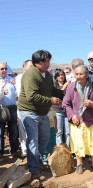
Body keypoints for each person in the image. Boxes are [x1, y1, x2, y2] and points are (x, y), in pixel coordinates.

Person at [18, 50, 64, 180]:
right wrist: (51, 100)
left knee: (45, 138)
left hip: (43, 111)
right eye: (44, 61)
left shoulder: (47, 75)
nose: (47, 63)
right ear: (36, 63)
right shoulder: (30, 75)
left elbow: (51, 90)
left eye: (48, 61)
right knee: (33, 140)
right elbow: (31, 96)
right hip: (29, 111)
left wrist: (64, 93)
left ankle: (37, 161)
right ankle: (34, 169)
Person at [62, 65, 93, 175]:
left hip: (92, 121)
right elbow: (65, 104)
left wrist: (92, 103)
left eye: (81, 74)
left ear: (87, 75)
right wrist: (72, 115)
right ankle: (79, 164)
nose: (78, 76)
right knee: (79, 143)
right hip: (77, 121)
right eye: (77, 74)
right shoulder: (71, 88)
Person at [0, 62, 19, 157]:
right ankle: (1, 153)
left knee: (14, 131)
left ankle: (14, 151)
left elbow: (17, 93)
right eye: (2, 69)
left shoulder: (12, 80)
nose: (4, 70)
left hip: (12, 108)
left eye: (5, 68)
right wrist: (2, 91)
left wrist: (16, 89)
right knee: (1, 132)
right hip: (1, 109)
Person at [15, 60, 33, 159]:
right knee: (23, 130)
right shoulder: (18, 78)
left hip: (34, 108)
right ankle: (25, 152)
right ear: (24, 67)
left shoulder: (35, 77)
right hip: (22, 107)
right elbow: (19, 93)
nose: (32, 68)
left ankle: (34, 152)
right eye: (30, 66)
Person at [53, 68, 70, 148]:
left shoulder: (69, 85)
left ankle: (68, 150)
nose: (61, 77)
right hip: (57, 111)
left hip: (67, 111)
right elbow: (57, 95)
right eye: (58, 75)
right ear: (56, 77)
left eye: (62, 75)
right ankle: (59, 150)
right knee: (59, 132)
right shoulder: (54, 86)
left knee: (68, 132)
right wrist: (64, 87)